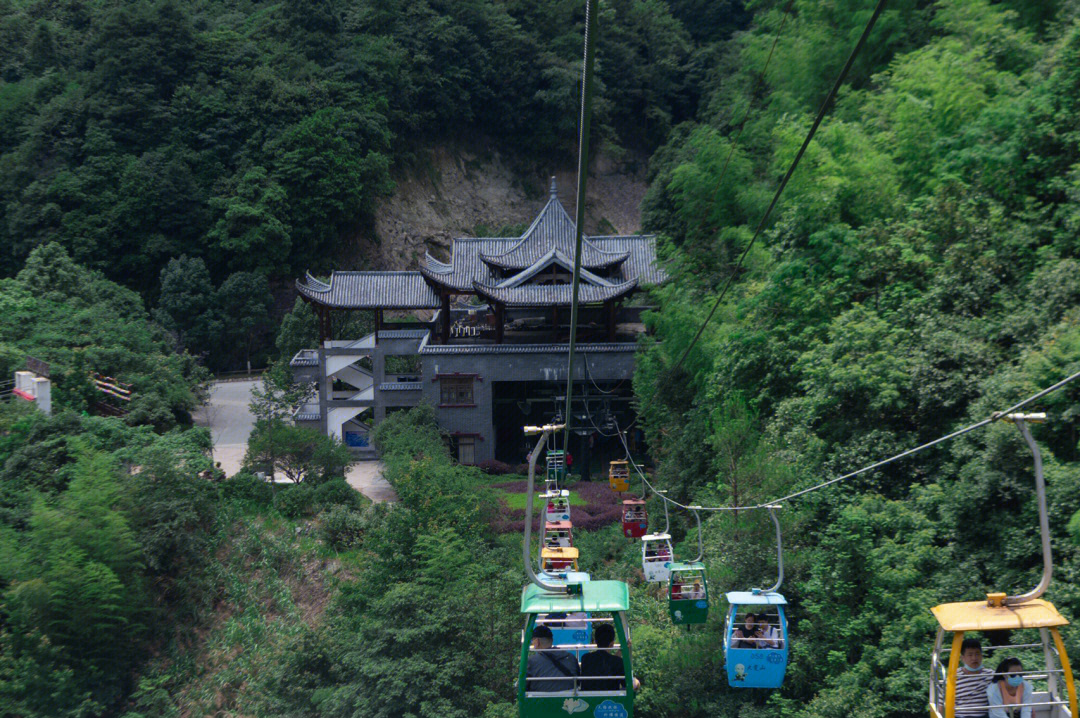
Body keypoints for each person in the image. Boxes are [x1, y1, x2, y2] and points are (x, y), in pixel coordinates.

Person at [580, 623, 641, 692]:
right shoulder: (617, 662)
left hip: (589, 700)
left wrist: (620, 651)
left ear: (595, 641)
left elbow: (606, 662)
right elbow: (627, 684)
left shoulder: (585, 658)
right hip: (611, 701)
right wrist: (636, 682)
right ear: (612, 644)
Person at [526, 625, 579, 692]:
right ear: (552, 640)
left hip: (541, 701)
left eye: (532, 641)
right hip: (569, 700)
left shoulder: (531, 661)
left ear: (537, 641)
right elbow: (578, 680)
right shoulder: (571, 657)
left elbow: (523, 687)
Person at [953, 638, 994, 718]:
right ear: (963, 658)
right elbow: (942, 702)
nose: (974, 658)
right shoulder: (954, 677)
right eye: (970, 655)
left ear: (981, 656)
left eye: (977, 654)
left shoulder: (991, 675)